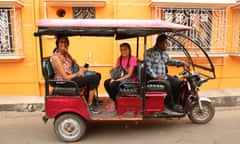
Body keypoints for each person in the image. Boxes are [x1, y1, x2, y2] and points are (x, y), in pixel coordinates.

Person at [50, 36, 101, 114]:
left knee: (97, 75)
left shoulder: (66, 54)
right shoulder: (55, 58)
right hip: (65, 82)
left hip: (72, 77)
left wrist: (82, 69)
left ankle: (91, 98)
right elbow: (66, 77)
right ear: (57, 43)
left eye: (65, 42)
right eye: (61, 42)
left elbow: (76, 66)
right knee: (94, 78)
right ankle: (89, 106)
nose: (64, 44)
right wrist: (78, 73)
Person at [145, 34, 187, 112]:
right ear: (159, 43)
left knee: (178, 83)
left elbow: (170, 61)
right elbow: (147, 68)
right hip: (152, 77)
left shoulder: (164, 53)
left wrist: (182, 63)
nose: (167, 45)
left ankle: (174, 101)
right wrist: (156, 76)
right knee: (167, 84)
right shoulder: (150, 52)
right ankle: (172, 105)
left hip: (163, 76)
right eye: (165, 43)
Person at [104, 42, 137, 112]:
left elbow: (129, 74)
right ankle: (112, 100)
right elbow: (117, 72)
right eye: (121, 50)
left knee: (114, 84)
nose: (123, 51)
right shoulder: (119, 59)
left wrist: (116, 80)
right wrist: (113, 78)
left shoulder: (132, 58)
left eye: (125, 49)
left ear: (129, 50)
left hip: (129, 80)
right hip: (121, 78)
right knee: (106, 82)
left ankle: (113, 103)